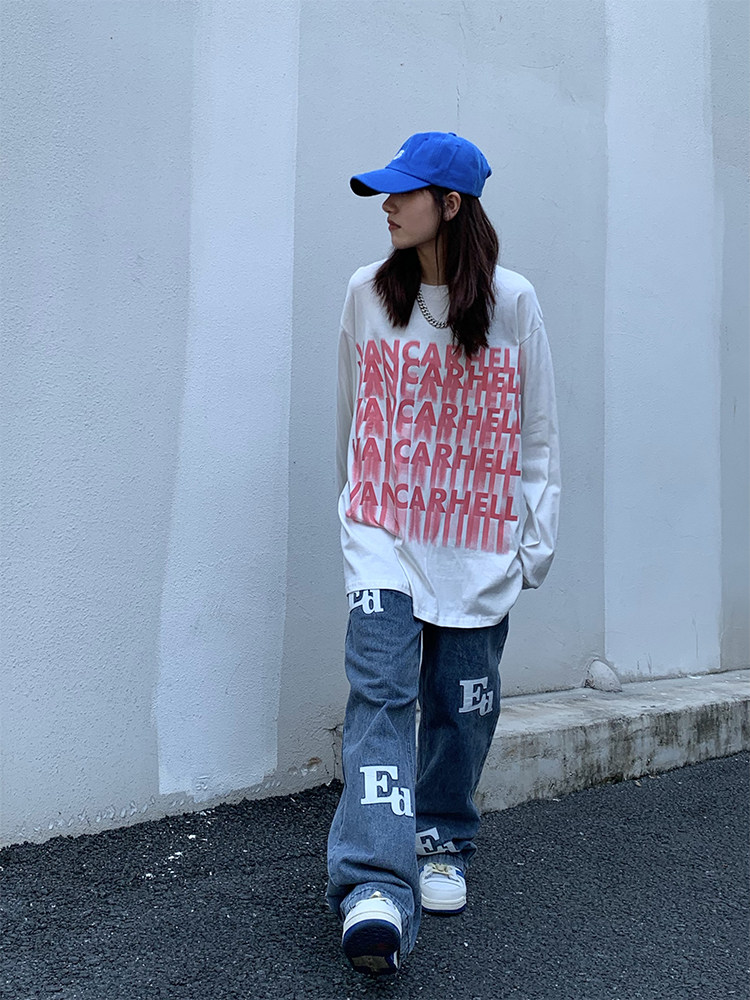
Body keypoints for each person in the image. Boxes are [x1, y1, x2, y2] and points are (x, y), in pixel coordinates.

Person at [326, 131, 560, 976]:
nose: (387, 206)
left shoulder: (513, 303)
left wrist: (532, 545)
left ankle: (443, 840)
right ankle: (374, 883)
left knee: (463, 708)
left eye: (405, 193)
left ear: (451, 205)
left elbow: (537, 432)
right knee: (380, 701)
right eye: (384, 194)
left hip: (476, 545)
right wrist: (356, 512)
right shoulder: (366, 293)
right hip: (383, 537)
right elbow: (353, 412)